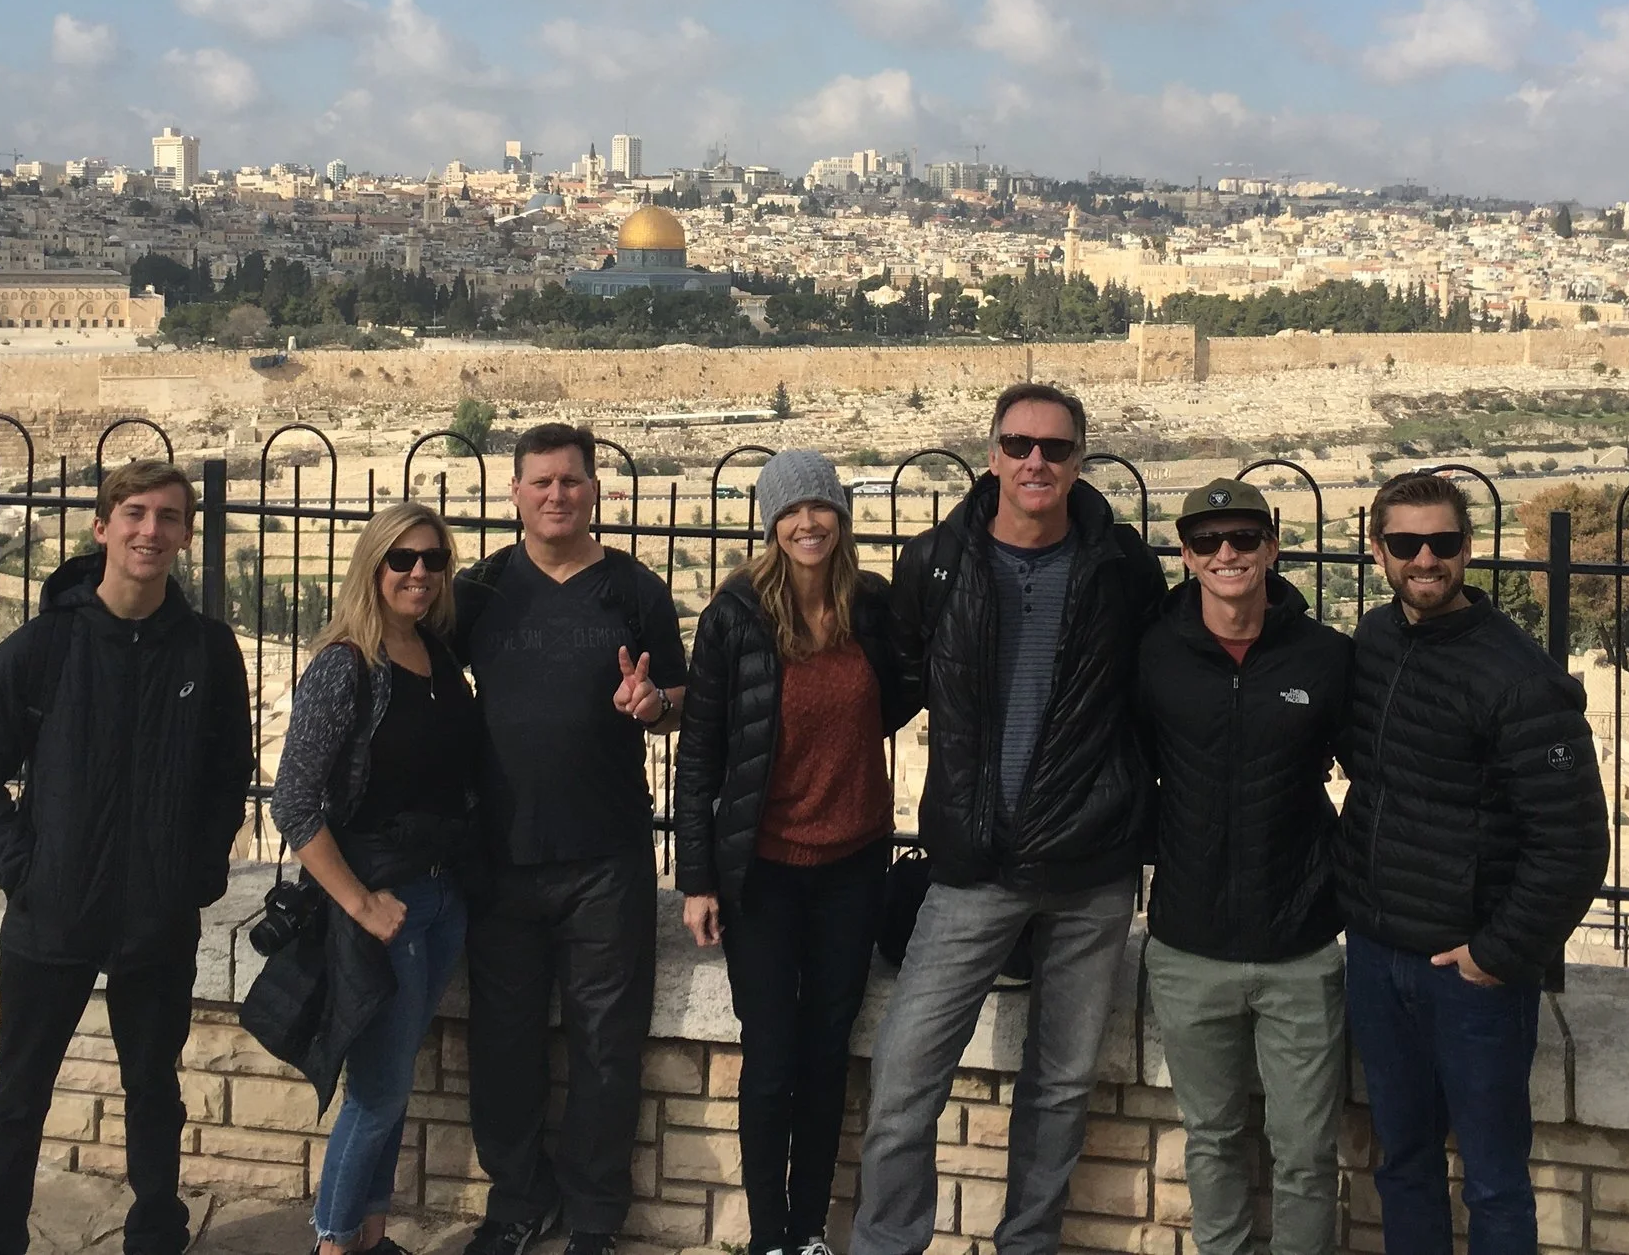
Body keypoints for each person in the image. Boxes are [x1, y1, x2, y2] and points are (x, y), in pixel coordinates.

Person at [850, 383, 1166, 1255]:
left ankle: (1028, 1243)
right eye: (1020, 444)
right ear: (991, 455)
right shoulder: (937, 563)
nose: (1036, 460)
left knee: (1060, 1087)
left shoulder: (1122, 569)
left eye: (1055, 448)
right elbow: (890, 688)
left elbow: (1159, 693)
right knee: (904, 1077)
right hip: (972, 865)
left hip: (1091, 866)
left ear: (1079, 462)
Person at [0, 460, 252, 1255]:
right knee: (20, 1092)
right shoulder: (43, 647)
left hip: (158, 911)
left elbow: (229, 773)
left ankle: (156, 1233)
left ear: (186, 534)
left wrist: (199, 871)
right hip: (52, 910)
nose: (151, 530)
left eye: (168, 517)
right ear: (103, 526)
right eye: (136, 513)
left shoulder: (208, 651)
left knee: (154, 1089)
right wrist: (23, 869)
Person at [1336, 471, 1610, 1255]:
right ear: (1378, 550)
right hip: (1378, 952)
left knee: (1493, 1181)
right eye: (1406, 542)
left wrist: (1497, 952)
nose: (1425, 558)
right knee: (1405, 1164)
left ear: (1468, 548)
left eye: (1443, 541)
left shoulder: (1518, 675)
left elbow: (1575, 841)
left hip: (1470, 974)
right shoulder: (1375, 640)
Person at [453, 423, 688, 1255]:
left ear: (595, 490)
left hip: (606, 858)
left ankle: (594, 1215)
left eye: (571, 480)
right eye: (541, 481)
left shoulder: (634, 588)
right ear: (515, 492)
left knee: (605, 1046)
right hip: (500, 856)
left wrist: (653, 704)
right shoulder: (478, 590)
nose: (557, 494)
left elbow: (682, 699)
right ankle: (519, 1200)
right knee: (502, 1043)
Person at [677, 450, 916, 1255]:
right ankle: (769, 1236)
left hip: (853, 865)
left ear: (840, 516)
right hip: (765, 871)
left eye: (820, 507)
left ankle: (810, 1228)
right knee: (772, 1054)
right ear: (771, 524)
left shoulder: (869, 606)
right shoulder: (735, 615)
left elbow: (899, 693)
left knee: (826, 1052)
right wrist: (697, 879)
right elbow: (700, 753)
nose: (808, 522)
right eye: (791, 510)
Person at [1136, 478, 1352, 1255]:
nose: (1226, 552)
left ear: (1272, 547)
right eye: (1207, 540)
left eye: (1243, 537)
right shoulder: (1154, 654)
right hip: (1188, 944)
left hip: (1298, 946)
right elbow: (1127, 764)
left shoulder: (1326, 657)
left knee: (1307, 1153)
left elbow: (1377, 774)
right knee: (1213, 1138)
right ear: (1187, 556)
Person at [271, 501, 481, 1255]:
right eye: (402, 558)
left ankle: (371, 1235)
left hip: (441, 895)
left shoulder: (435, 654)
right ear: (373, 565)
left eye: (434, 559)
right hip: (386, 902)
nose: (419, 572)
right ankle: (333, 1242)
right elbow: (293, 804)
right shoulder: (345, 665)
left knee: (393, 1085)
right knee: (379, 1088)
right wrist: (361, 904)